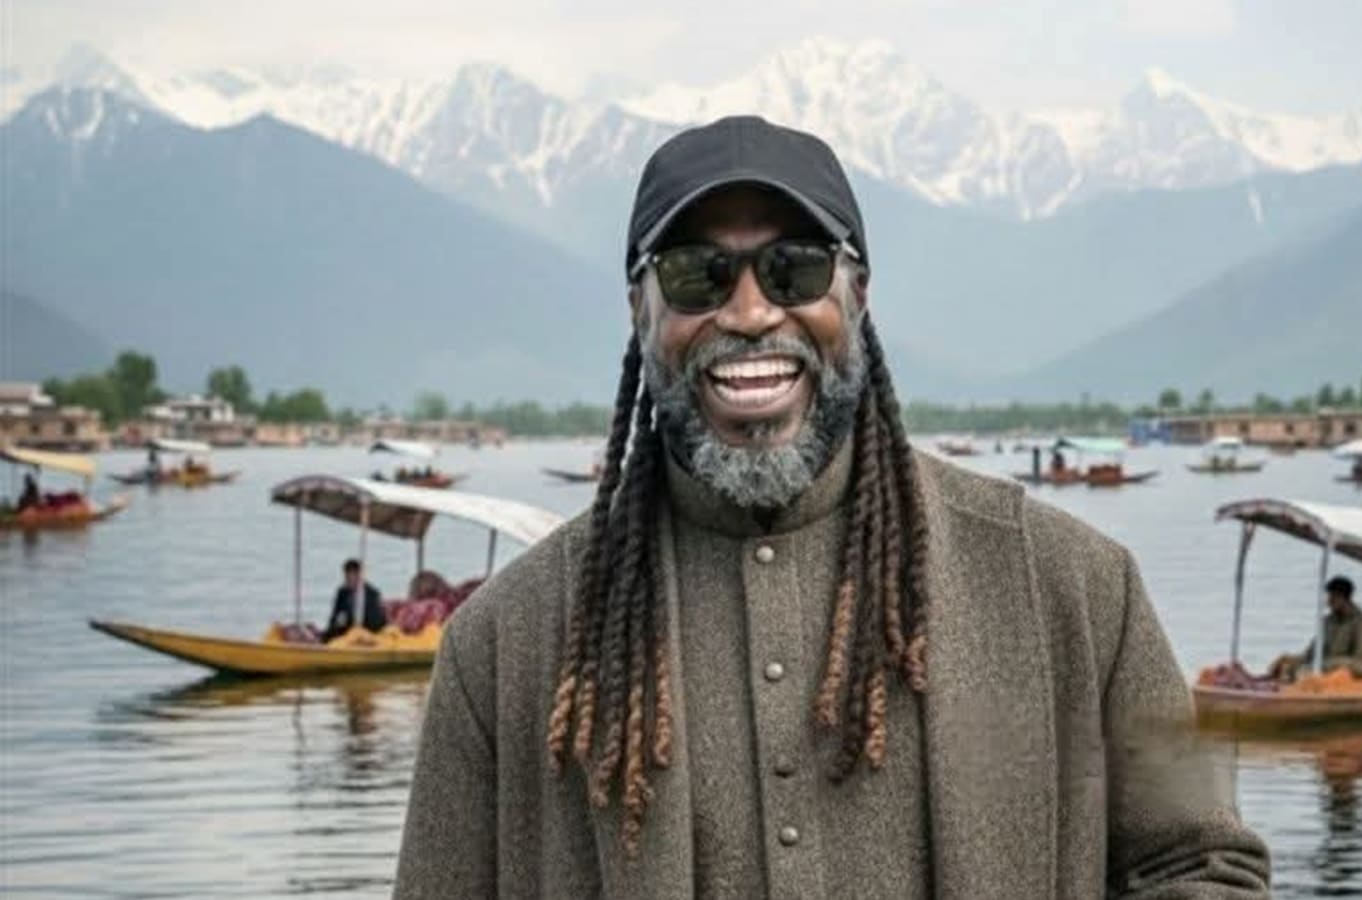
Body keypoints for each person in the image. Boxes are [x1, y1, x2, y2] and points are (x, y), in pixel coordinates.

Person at [396, 116, 1268, 898]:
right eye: (698, 275)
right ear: (640, 310)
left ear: (857, 294)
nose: (749, 313)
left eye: (795, 269)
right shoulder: (501, 647)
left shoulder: (1081, 589)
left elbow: (1208, 866)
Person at [1269, 575, 1362, 680]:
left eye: (1333, 597)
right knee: (1289, 669)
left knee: (1306, 673)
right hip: (1326, 668)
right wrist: (1289, 660)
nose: (1329, 601)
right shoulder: (1328, 622)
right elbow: (1311, 654)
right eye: (1329, 596)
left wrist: (1324, 665)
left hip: (1352, 677)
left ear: (1344, 598)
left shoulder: (1361, 623)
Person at [322, 558, 387, 643]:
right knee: (330, 634)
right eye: (346, 577)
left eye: (351, 576)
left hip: (369, 631)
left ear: (359, 575)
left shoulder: (372, 593)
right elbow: (334, 616)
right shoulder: (342, 592)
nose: (348, 580)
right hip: (348, 630)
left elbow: (376, 621)